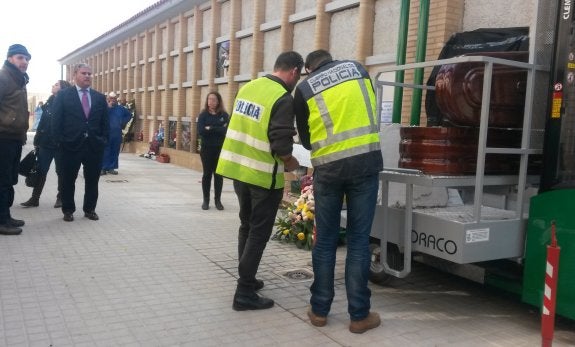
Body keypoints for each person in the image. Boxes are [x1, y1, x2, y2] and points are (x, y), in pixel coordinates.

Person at [294, 50, 383, 333]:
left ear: (309, 68)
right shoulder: (358, 70)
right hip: (365, 165)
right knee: (358, 241)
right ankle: (359, 315)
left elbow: (307, 141)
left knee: (326, 240)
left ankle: (319, 310)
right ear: (331, 59)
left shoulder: (305, 88)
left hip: (329, 171)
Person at [216, 51, 303, 311]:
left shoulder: (248, 88)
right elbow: (280, 143)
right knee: (258, 233)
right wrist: (292, 163)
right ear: (295, 72)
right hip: (263, 177)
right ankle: (244, 292)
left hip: (239, 172)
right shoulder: (282, 97)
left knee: (246, 226)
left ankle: (248, 279)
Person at [52, 63, 109, 222]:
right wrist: (60, 142)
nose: (87, 76)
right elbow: (56, 121)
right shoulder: (64, 95)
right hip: (70, 145)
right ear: (75, 75)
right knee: (68, 179)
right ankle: (68, 210)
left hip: (93, 146)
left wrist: (103, 140)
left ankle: (90, 209)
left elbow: (105, 122)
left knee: (92, 180)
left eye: (90, 74)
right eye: (84, 73)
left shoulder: (99, 97)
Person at [21, 80, 72, 208]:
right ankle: (35, 198)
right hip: (46, 143)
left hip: (60, 144)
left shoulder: (68, 103)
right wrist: (37, 140)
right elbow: (42, 123)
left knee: (61, 171)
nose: (53, 86)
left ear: (63, 88)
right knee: (41, 170)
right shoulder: (49, 102)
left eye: (56, 85)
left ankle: (60, 198)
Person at [0, 44, 32, 235]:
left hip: (14, 138)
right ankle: (1, 221)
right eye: (20, 57)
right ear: (10, 58)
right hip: (3, 138)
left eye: (27, 59)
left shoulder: (19, 79)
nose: (25, 62)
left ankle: (6, 216)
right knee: (2, 181)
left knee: (9, 180)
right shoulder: (3, 77)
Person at [197, 91, 230, 210]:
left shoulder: (224, 115)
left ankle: (218, 201)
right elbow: (201, 131)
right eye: (209, 99)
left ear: (218, 101)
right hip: (206, 149)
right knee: (207, 174)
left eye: (213, 99)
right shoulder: (203, 115)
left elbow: (226, 131)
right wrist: (218, 128)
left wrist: (210, 128)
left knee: (218, 175)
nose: (211, 101)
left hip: (220, 149)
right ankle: (206, 201)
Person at [101, 92, 132, 175]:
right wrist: (108, 108)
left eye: (114, 98)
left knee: (115, 150)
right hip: (106, 133)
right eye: (111, 98)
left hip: (116, 133)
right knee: (105, 150)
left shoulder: (121, 108)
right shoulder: (104, 108)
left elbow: (129, 115)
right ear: (108, 99)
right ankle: (103, 168)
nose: (113, 100)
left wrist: (123, 122)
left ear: (116, 99)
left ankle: (111, 167)